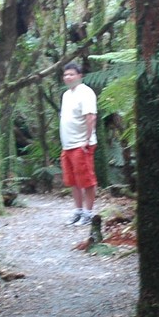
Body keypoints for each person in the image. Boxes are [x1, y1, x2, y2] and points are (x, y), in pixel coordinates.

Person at [59, 61, 98, 224]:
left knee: (86, 180)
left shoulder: (86, 92)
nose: (68, 77)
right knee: (73, 181)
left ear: (79, 76)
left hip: (81, 144)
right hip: (67, 145)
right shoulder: (66, 95)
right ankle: (78, 211)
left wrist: (86, 141)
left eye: (71, 74)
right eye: (66, 74)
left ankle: (88, 214)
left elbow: (91, 117)